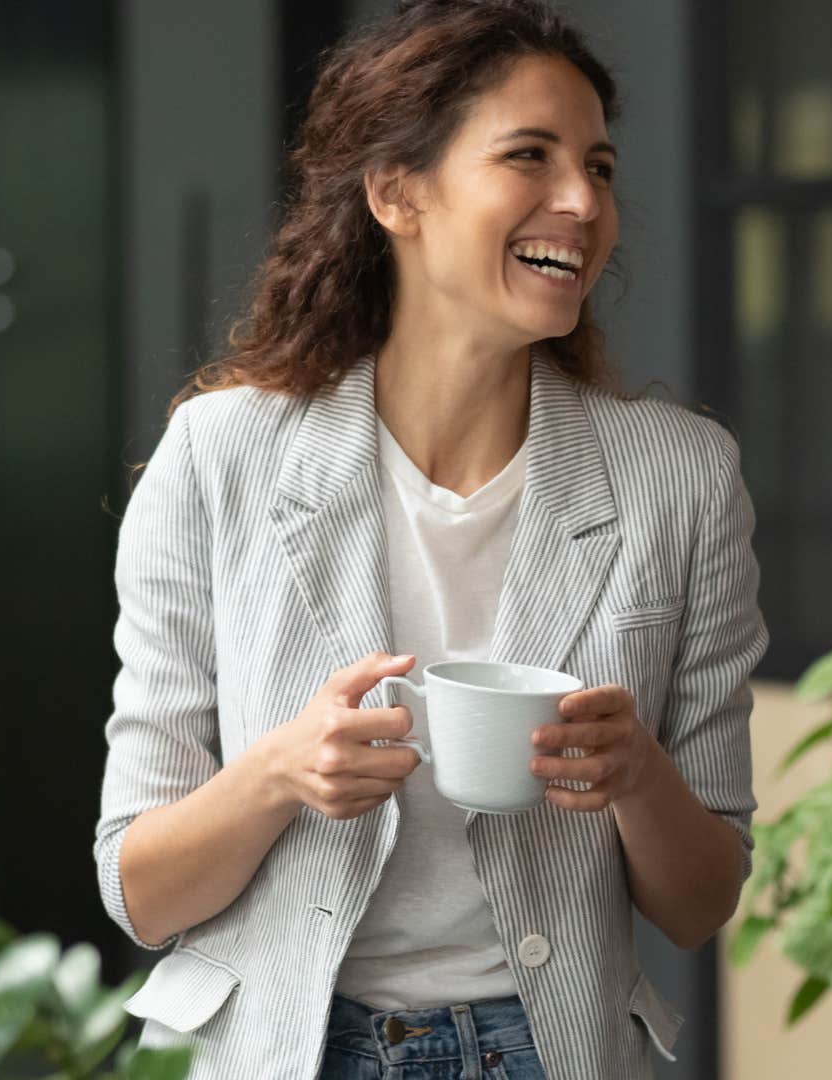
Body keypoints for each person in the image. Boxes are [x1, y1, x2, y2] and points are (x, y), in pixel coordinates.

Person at [92, 3, 766, 1077]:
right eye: (528, 156)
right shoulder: (221, 456)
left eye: (597, 164)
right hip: (287, 1050)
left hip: (554, 1051)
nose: (583, 202)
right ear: (396, 192)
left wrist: (639, 774)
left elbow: (702, 902)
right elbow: (139, 887)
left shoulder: (678, 479)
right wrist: (279, 774)